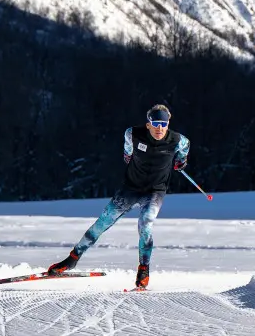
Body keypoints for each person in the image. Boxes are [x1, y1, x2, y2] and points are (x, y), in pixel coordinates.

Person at [46, 103, 190, 290]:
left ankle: (143, 270)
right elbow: (127, 153)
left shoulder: (178, 140)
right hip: (130, 189)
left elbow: (184, 151)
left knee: (146, 224)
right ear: (148, 124)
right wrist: (130, 157)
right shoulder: (132, 134)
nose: (159, 128)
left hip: (154, 192)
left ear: (168, 123)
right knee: (102, 222)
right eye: (155, 123)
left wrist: (180, 161)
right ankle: (72, 259)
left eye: (163, 124)